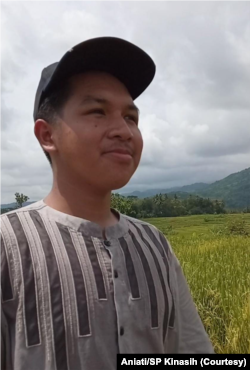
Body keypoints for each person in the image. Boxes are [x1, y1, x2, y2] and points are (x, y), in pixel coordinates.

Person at [0, 36, 214, 370]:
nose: (124, 131)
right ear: (47, 135)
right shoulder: (7, 244)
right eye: (97, 111)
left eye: (131, 117)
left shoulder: (155, 245)